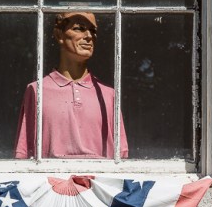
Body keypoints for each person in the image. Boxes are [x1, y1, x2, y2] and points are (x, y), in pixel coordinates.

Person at [15, 11, 128, 159]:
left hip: (98, 180)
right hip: (52, 180)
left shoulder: (108, 94)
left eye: (93, 31)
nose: (89, 36)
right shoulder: (37, 91)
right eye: (79, 28)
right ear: (59, 35)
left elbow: (122, 155)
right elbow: (24, 153)